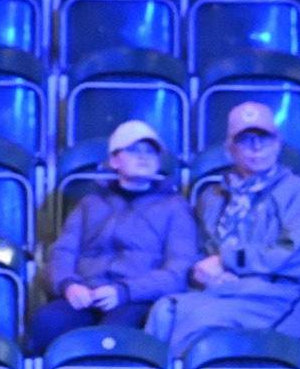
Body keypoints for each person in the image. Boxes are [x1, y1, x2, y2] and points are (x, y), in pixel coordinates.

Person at [147, 103, 300, 354]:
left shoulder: (297, 191)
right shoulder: (212, 197)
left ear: (278, 144)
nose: (256, 148)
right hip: (225, 291)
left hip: (280, 295)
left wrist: (227, 260)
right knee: (164, 311)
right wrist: (201, 273)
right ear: (230, 149)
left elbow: (294, 253)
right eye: (246, 140)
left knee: (199, 324)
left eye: (264, 139)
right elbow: (200, 254)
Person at [30, 120, 197, 355]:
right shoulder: (89, 204)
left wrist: (125, 291)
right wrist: (69, 285)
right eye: (134, 150)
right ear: (115, 160)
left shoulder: (175, 208)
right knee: (48, 322)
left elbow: (179, 271)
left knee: (116, 334)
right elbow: (63, 252)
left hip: (138, 297)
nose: (144, 157)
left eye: (150, 151)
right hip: (87, 293)